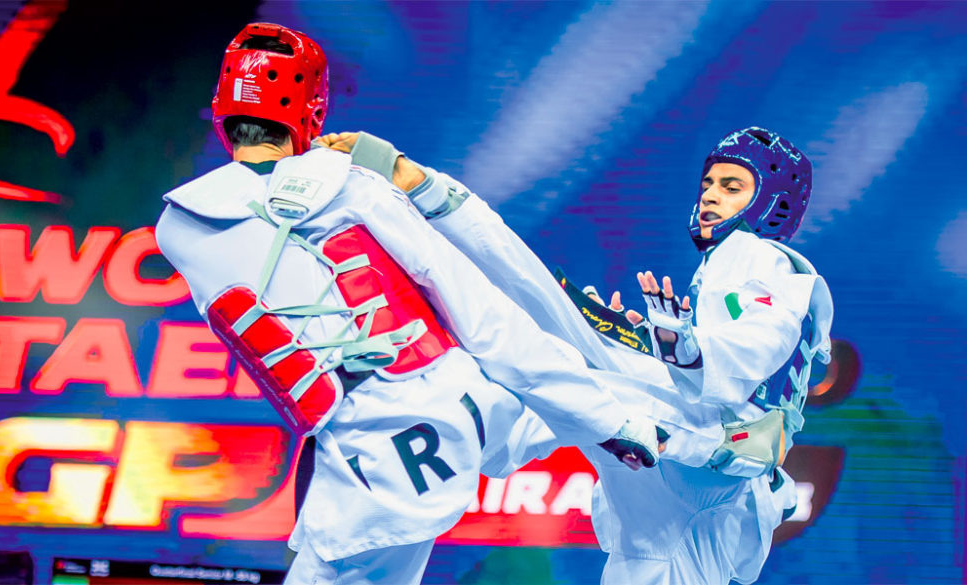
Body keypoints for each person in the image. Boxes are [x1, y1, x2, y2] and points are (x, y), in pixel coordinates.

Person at [154, 23, 722, 585]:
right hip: (470, 399)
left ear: (223, 108)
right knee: (593, 379)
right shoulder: (354, 185)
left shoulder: (178, 228)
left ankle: (682, 422)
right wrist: (607, 420)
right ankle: (701, 423)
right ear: (311, 108)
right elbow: (482, 314)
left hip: (387, 455)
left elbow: (260, 204)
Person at [318, 126, 832, 584]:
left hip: (706, 447)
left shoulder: (762, 259)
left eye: (732, 187)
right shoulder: (735, 263)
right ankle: (420, 192)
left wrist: (688, 350)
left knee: (543, 324)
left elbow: (759, 342)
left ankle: (417, 194)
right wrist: (657, 342)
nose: (710, 197)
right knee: (546, 327)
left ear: (772, 205)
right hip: (691, 464)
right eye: (708, 184)